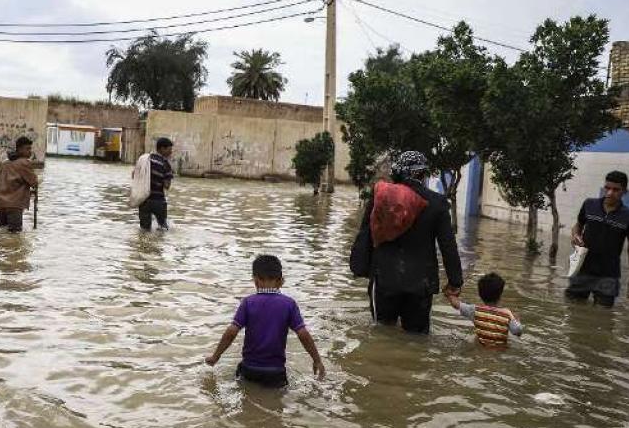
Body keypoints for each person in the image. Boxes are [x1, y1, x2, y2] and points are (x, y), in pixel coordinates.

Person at [349, 151, 464, 333]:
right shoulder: (437, 203)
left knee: (381, 334)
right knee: (416, 339)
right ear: (423, 174)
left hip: (384, 280)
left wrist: (360, 267)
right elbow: (448, 247)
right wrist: (455, 282)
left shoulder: (381, 198)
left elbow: (366, 234)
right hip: (421, 284)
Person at [205, 254, 326, 387]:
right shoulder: (289, 304)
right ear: (281, 281)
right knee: (278, 398)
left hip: (249, 369)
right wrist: (317, 360)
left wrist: (216, 356)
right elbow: (303, 334)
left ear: (255, 281)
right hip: (276, 372)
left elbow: (232, 331)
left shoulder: (248, 302)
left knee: (245, 393)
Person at [566, 170, 629, 306]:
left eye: (616, 190)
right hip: (583, 269)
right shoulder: (589, 204)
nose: (610, 193)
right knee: (572, 308)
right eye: (607, 188)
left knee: (603, 315)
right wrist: (575, 235)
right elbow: (578, 225)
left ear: (624, 191)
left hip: (609, 275)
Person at [446, 272, 523, 347]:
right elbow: (517, 331)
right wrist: (517, 320)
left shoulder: (475, 310)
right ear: (500, 295)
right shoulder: (507, 314)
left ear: (480, 295)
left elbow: (456, 304)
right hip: (499, 349)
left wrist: (450, 294)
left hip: (480, 347)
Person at [0, 136, 39, 233]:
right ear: (19, 149)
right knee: (15, 235)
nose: (30, 152)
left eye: (30, 149)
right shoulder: (24, 163)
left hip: (0, 204)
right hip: (14, 205)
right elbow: (34, 182)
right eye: (27, 149)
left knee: (2, 232)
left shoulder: (5, 163)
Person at [139, 137, 174, 231]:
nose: (171, 152)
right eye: (169, 149)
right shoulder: (165, 164)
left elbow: (135, 175)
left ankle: (143, 241)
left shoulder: (145, 159)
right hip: (158, 201)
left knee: (144, 230)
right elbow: (167, 186)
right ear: (162, 148)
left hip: (143, 200)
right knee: (163, 229)